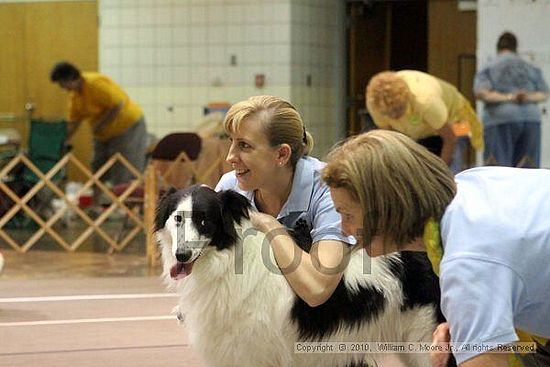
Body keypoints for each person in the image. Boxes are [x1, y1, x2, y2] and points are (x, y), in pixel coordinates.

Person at [322, 129, 550, 367]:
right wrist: (467, 321)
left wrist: (469, 315)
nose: (344, 229)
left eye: (347, 215)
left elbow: (489, 358)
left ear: (386, 209)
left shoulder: (466, 262)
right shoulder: (469, 185)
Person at [215, 95, 354, 307]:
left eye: (244, 145)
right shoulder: (229, 187)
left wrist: (269, 225)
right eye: (231, 142)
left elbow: (317, 289)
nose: (230, 157)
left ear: (282, 154)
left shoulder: (329, 187)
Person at [50, 61, 147, 186]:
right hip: (102, 134)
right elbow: (74, 122)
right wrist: (64, 140)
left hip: (127, 127)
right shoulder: (75, 97)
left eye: (62, 83)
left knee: (123, 169)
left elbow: (118, 104)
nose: (63, 88)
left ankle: (124, 203)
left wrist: (101, 124)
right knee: (97, 167)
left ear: (70, 78)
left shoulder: (95, 83)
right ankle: (95, 204)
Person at [366, 70, 484, 169]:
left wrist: (441, 173)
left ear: (406, 97)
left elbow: (450, 138)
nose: (394, 116)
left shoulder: (425, 100)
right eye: (388, 114)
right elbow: (390, 140)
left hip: (455, 120)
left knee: (453, 170)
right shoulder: (376, 104)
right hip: (423, 130)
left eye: (398, 109)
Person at [474, 31, 549, 168]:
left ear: (498, 48)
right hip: (531, 119)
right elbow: (544, 93)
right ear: (516, 48)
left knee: (498, 169)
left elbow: (481, 93)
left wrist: (509, 97)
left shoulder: (489, 66)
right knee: (528, 168)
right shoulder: (530, 66)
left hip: (500, 119)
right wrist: (526, 97)